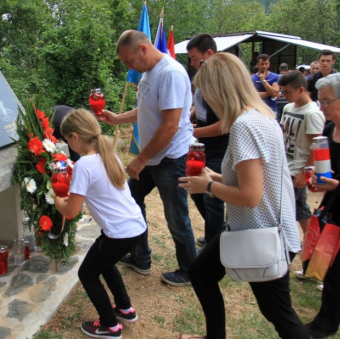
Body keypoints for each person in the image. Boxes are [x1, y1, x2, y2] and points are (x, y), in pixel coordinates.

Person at [178, 53, 309, 339]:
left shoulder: (244, 126)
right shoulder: (260, 115)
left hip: (265, 233)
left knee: (278, 313)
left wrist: (208, 187)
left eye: (204, 93)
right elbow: (257, 180)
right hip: (260, 228)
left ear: (219, 89)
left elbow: (251, 196)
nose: (205, 101)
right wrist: (215, 177)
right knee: (201, 273)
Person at [100, 30, 197, 286]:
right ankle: (140, 257)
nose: (129, 68)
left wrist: (141, 159)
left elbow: (169, 126)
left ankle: (190, 271)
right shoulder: (147, 73)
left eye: (129, 61)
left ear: (143, 49)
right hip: (153, 156)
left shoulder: (171, 74)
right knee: (131, 201)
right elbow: (146, 109)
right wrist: (118, 118)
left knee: (176, 215)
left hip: (169, 159)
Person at [54, 109, 147, 339]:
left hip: (119, 233)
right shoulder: (109, 154)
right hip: (135, 226)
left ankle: (109, 326)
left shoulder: (85, 164)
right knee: (104, 263)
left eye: (67, 140)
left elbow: (72, 210)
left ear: (75, 136)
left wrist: (57, 201)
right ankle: (125, 308)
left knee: (87, 274)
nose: (68, 144)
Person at [306, 72, 340, 339]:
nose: (322, 107)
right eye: (320, 101)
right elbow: (326, 170)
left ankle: (325, 324)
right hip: (334, 207)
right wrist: (317, 181)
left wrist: (336, 185)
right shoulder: (329, 130)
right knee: (331, 268)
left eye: (327, 101)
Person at [186, 34, 227, 248]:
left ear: (208, 54)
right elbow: (199, 106)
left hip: (219, 146)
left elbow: (225, 124)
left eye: (194, 58)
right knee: (196, 190)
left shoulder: (222, 81)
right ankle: (217, 231)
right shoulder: (202, 77)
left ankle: (215, 243)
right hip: (202, 144)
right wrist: (189, 117)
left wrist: (196, 132)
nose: (191, 63)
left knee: (212, 197)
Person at [279, 70, 324, 236]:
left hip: (298, 167)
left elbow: (316, 145)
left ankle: (298, 239)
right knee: (299, 207)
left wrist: (303, 172)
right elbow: (284, 133)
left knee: (288, 208)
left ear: (301, 90)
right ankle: (311, 238)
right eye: (282, 91)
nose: (284, 95)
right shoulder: (288, 107)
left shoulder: (312, 113)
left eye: (288, 92)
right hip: (286, 163)